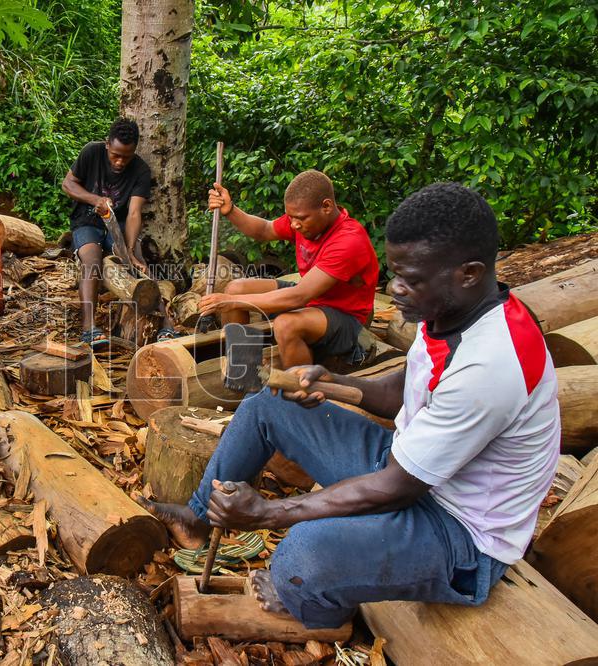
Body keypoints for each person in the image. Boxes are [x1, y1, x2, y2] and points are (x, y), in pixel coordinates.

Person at [141, 183, 560, 629]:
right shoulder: (450, 312)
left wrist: (268, 514)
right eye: (396, 273)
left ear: (469, 273)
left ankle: (319, 605)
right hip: (412, 468)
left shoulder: (489, 365)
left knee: (300, 554)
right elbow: (407, 387)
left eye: (411, 280)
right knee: (267, 407)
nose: (394, 288)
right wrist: (334, 383)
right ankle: (201, 517)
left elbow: (398, 487)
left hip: (458, 533)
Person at [201, 170, 378, 368]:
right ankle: (244, 369)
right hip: (313, 299)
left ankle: (299, 392)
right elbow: (264, 230)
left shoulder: (349, 240)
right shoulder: (303, 219)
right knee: (236, 288)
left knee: (285, 325)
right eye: (290, 217)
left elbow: (298, 297)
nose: (294, 225)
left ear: (326, 206)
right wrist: (231, 210)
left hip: (348, 319)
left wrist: (232, 303)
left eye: (300, 218)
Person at [62, 118, 176, 347]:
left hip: (117, 224)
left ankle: (166, 325)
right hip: (86, 222)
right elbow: (68, 184)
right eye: (115, 155)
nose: (120, 161)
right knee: (91, 261)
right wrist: (95, 199)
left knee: (138, 263)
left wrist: (131, 250)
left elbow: (134, 213)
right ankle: (89, 329)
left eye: (126, 156)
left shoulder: (141, 170)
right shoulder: (91, 153)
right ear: (107, 144)